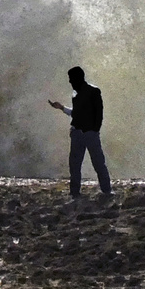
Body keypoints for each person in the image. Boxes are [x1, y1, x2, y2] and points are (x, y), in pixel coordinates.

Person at [48, 66, 112, 199]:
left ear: (79, 78)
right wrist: (61, 108)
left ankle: (106, 190)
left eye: (71, 79)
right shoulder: (75, 94)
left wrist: (94, 130)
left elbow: (99, 113)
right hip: (77, 133)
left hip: (89, 133)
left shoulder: (93, 92)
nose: (70, 82)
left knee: (98, 163)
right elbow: (76, 114)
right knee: (75, 165)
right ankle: (75, 192)